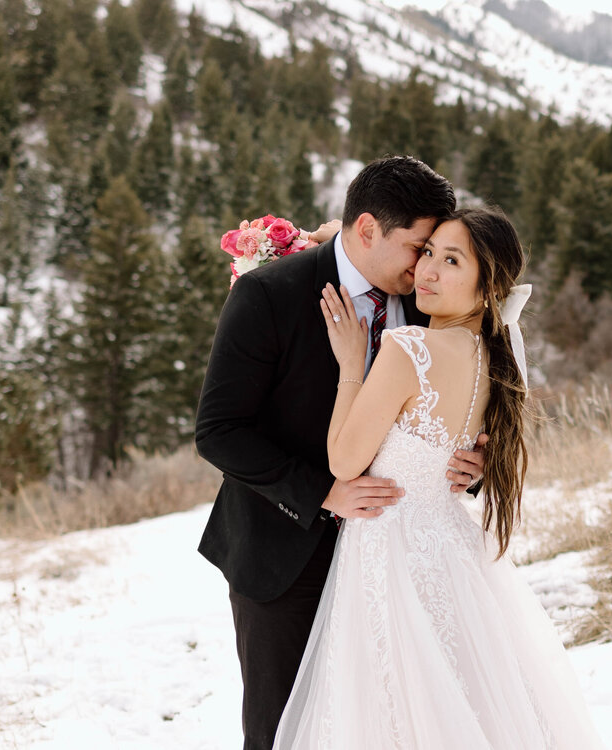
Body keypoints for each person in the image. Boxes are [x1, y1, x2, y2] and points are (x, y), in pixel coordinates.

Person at [273, 207, 605, 749]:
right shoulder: (491, 361)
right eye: (427, 252)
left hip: (390, 549)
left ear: (486, 283)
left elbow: (343, 462)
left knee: (396, 712)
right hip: (451, 548)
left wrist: (351, 365)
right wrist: (329, 235)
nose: (427, 271)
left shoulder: (410, 348)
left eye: (451, 261)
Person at [194, 157, 487, 750]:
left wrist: (469, 463)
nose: (425, 265)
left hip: (392, 559)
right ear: (368, 230)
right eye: (417, 247)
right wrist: (321, 491)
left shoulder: (425, 304)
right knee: (285, 733)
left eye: (435, 251)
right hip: (284, 556)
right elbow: (219, 429)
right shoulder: (268, 294)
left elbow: (445, 403)